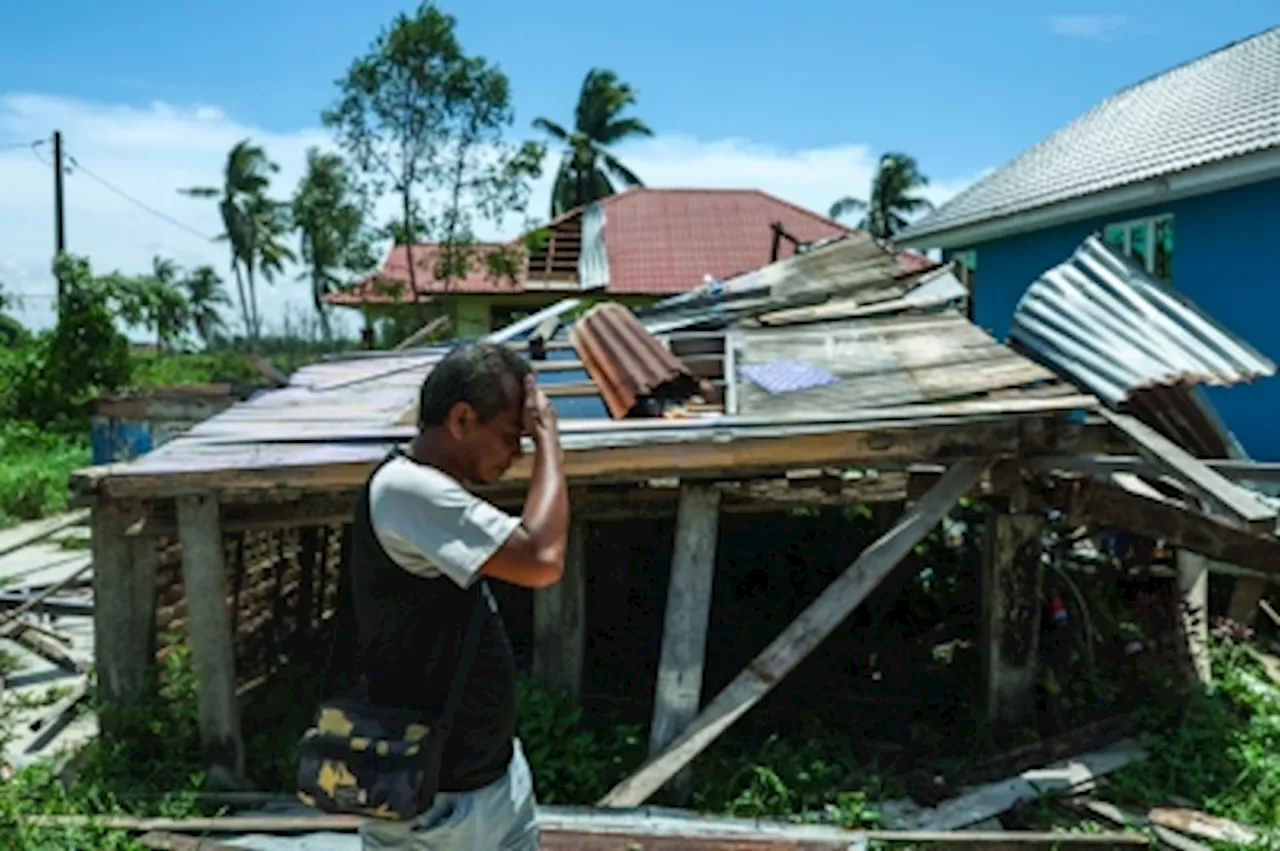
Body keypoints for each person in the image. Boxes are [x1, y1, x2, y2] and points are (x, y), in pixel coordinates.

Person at [348, 342, 569, 850]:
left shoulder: (430, 494)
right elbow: (543, 558)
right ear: (463, 419)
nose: (518, 453)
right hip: (436, 805)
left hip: (489, 783)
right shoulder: (406, 490)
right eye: (514, 436)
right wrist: (551, 441)